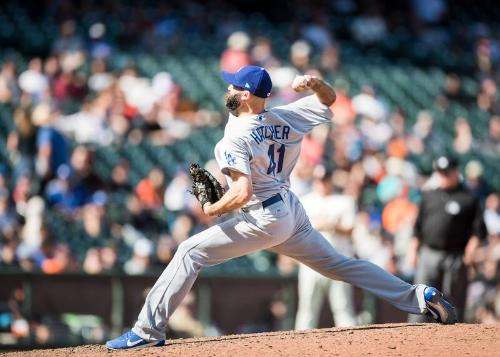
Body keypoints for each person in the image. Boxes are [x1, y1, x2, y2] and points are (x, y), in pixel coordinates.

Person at [106, 66, 457, 350]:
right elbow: (330, 100)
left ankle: (146, 331)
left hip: (263, 216)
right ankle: (419, 297)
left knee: (187, 252)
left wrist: (214, 209)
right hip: (289, 208)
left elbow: (241, 192)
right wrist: (318, 84)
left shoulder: (232, 139)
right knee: (340, 265)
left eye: (232, 87)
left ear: (244, 95)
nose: (226, 90)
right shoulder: (285, 117)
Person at [407, 155, 486, 322]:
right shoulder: (429, 196)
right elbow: (418, 227)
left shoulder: (469, 198)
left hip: (456, 255)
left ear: (456, 172)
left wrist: (471, 248)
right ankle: (414, 334)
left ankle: (454, 338)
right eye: (440, 173)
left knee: (453, 300)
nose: (443, 176)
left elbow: (479, 230)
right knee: (422, 295)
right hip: (429, 252)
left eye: (447, 173)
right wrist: (413, 249)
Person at [295, 168, 358, 329]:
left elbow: (350, 229)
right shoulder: (305, 200)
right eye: (318, 180)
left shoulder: (344, 201)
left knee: (343, 307)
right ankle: (299, 348)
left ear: (330, 181)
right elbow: (296, 230)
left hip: (338, 260)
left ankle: (352, 347)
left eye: (324, 180)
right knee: (307, 308)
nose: (321, 183)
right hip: (310, 262)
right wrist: (320, 225)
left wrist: (332, 225)